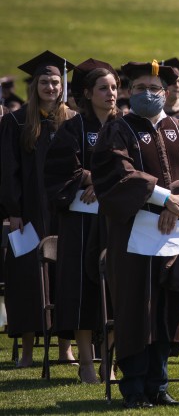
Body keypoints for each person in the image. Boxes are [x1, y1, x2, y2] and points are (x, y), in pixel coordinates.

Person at [90, 60, 179, 408]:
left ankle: (159, 384)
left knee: (168, 307)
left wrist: (175, 204)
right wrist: (163, 198)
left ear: (166, 93)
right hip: (132, 235)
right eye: (141, 88)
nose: (148, 94)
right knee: (135, 308)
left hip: (174, 233)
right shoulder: (118, 131)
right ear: (130, 92)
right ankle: (133, 387)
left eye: (155, 89)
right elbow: (116, 174)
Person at [44, 58, 120, 383]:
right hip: (80, 224)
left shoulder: (124, 128)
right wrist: (92, 178)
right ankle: (87, 363)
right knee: (81, 292)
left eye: (115, 87)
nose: (111, 94)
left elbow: (132, 171)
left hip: (116, 222)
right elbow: (63, 172)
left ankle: (110, 363)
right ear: (88, 93)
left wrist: (99, 184)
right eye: (104, 88)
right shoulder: (73, 129)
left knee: (118, 291)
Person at [1, 51, 77, 368]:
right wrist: (14, 210)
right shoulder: (16, 120)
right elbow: (8, 170)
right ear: (35, 85)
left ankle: (65, 349)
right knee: (27, 279)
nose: (49, 86)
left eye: (55, 81)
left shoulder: (72, 120)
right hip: (29, 213)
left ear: (62, 85)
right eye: (44, 81)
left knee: (65, 277)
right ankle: (29, 352)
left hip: (64, 212)